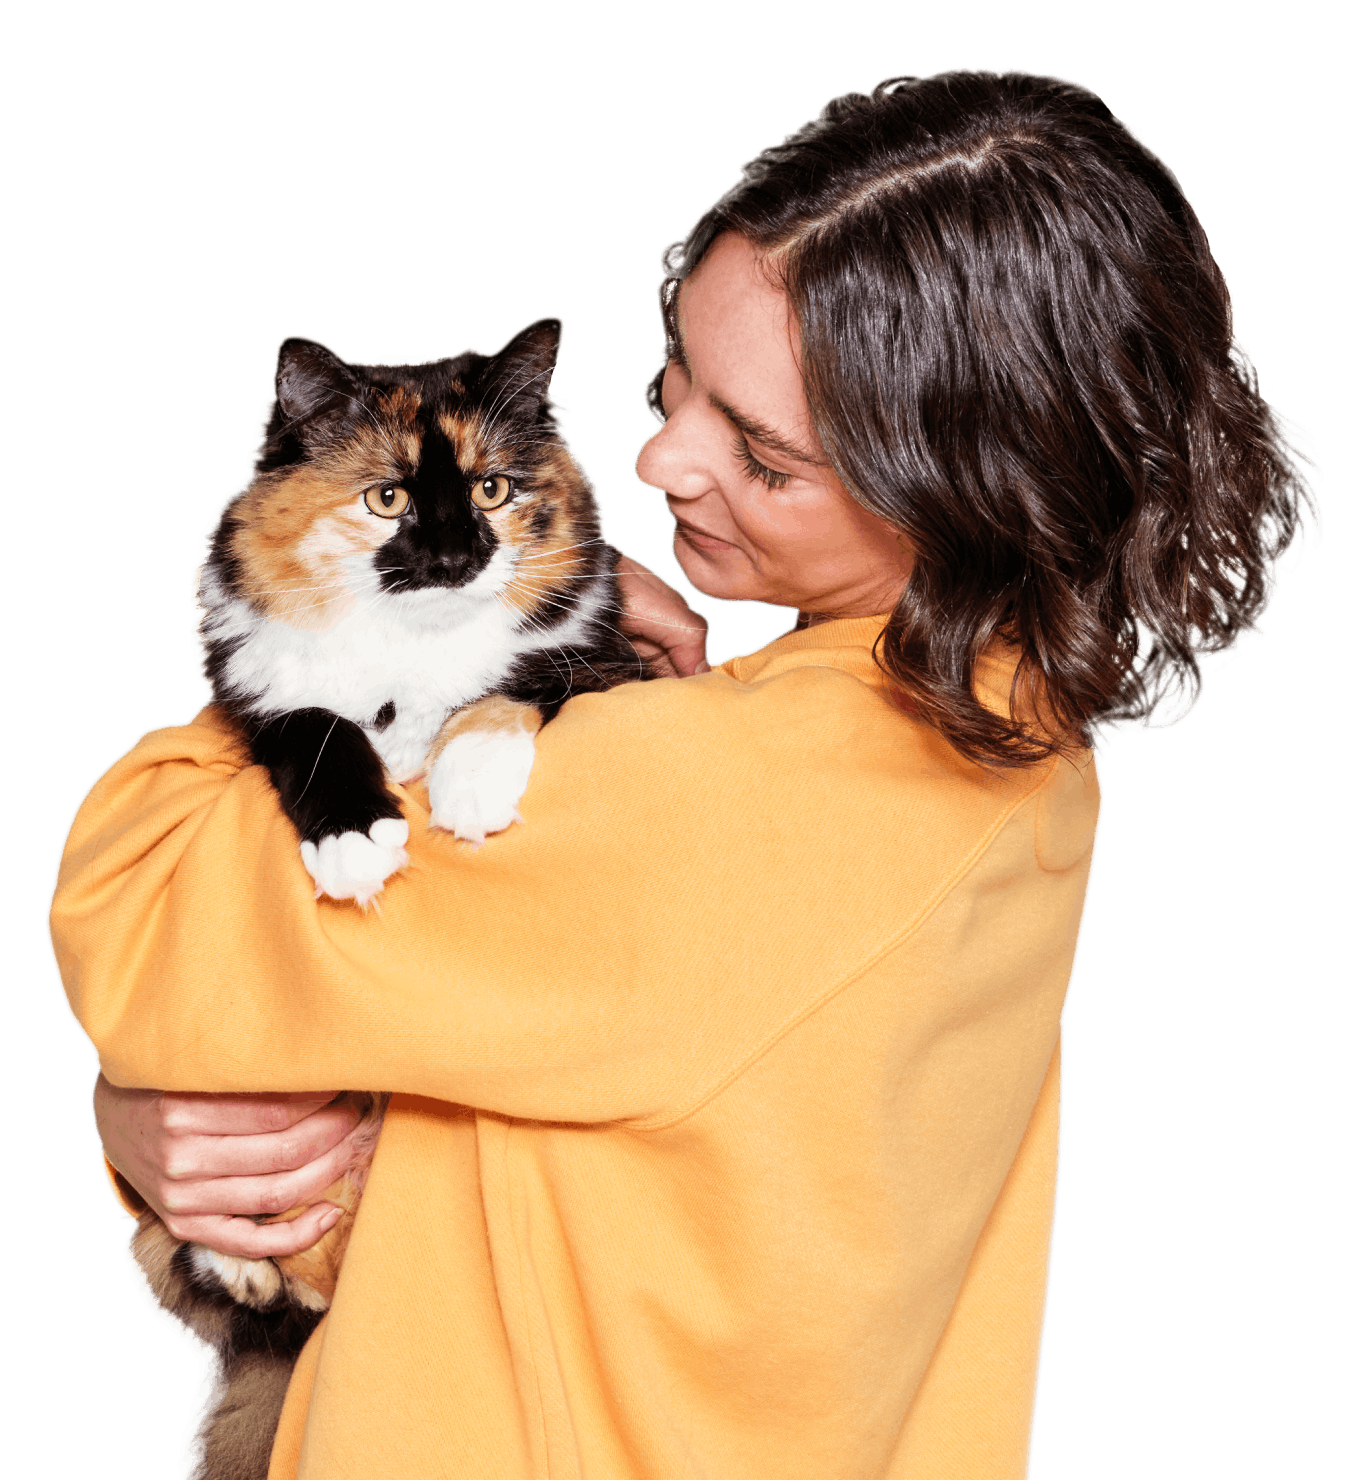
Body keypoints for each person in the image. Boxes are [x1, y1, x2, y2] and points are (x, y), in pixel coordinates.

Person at [50, 68, 1319, 1478]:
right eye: (674, 384)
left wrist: (430, 645)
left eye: (764, 457)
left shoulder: (705, 798)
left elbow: (143, 906)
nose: (658, 458)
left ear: (972, 495)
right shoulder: (1009, 753)